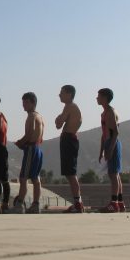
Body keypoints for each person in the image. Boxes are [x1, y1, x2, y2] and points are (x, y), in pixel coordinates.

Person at [14, 92, 44, 213]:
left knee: (24, 178)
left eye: (26, 102)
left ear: (32, 103)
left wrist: (20, 142)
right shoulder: (40, 116)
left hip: (32, 148)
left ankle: (19, 205)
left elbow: (29, 133)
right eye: (23, 103)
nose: (23, 105)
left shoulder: (31, 116)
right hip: (37, 148)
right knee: (35, 178)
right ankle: (36, 204)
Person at [56, 85, 84, 213]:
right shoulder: (70, 107)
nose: (59, 95)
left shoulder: (70, 106)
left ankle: (78, 203)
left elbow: (58, 124)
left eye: (61, 93)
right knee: (69, 173)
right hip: (68, 139)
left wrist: (59, 118)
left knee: (71, 173)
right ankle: (77, 202)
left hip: (69, 140)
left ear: (69, 94)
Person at [97, 88, 124, 213]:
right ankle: (119, 202)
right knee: (114, 174)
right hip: (108, 142)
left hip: (112, 143)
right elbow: (104, 134)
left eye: (99, 96)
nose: (97, 98)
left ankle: (114, 203)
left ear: (105, 98)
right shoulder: (104, 113)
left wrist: (110, 149)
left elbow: (115, 133)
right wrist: (101, 150)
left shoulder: (110, 112)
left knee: (113, 174)